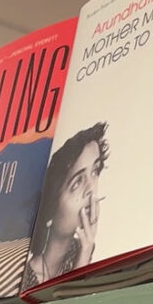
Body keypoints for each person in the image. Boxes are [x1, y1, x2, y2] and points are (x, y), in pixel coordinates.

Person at [24, 122, 109, 288]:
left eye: (95, 171)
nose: (91, 189)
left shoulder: (86, 247)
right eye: (77, 182)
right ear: (49, 212)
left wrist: (86, 250)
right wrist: (83, 258)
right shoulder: (28, 280)